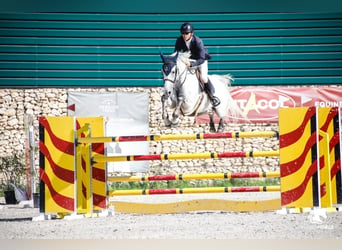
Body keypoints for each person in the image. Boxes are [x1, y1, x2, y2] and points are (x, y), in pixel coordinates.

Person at [174, 22, 220, 107]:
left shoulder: (198, 41)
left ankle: (212, 95)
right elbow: (176, 53)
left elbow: (201, 58)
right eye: (183, 33)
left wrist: (192, 64)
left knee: (203, 77)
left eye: (187, 33)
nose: (184, 35)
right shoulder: (179, 40)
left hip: (201, 60)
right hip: (189, 59)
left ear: (192, 33)